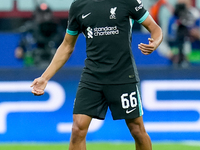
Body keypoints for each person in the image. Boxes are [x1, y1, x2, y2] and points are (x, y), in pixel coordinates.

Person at [31, 0, 162, 150]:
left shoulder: (127, 1)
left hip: (123, 75)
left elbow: (155, 28)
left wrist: (155, 42)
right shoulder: (79, 5)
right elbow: (67, 45)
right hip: (92, 77)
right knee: (77, 129)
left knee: (137, 130)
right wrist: (45, 77)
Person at [167, 0, 200, 66]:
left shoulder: (196, 18)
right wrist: (168, 52)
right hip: (176, 61)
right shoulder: (172, 20)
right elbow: (165, 39)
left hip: (196, 62)